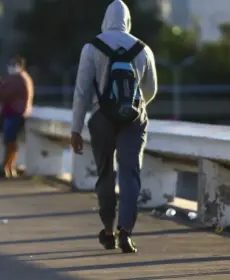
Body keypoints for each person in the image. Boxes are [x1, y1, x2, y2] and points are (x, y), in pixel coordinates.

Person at [71, 0, 157, 254]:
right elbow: (150, 90)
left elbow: (82, 92)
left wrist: (75, 129)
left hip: (101, 117)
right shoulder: (143, 49)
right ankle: (126, 231)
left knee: (105, 172)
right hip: (134, 119)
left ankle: (107, 230)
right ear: (128, 21)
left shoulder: (92, 47)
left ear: (106, 20)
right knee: (130, 173)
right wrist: (133, 105)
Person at [0, 55, 33, 179]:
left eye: (13, 64)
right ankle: (8, 167)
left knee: (9, 141)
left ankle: (7, 168)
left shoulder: (17, 79)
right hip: (16, 113)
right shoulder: (23, 78)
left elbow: (1, 93)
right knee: (10, 141)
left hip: (14, 113)